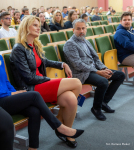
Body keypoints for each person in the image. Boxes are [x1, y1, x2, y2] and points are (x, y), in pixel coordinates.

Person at [0, 25, 84, 150]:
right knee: (35, 95)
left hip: (7, 96)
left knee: (34, 111)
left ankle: (33, 147)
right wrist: (11, 94)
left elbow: (5, 81)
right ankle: (58, 126)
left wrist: (15, 92)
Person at [10, 15, 83, 148]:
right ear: (26, 27)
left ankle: (64, 130)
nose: (39, 28)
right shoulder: (18, 49)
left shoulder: (34, 45)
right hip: (32, 88)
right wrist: (50, 79)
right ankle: (60, 124)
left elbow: (44, 62)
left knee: (71, 99)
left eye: (39, 25)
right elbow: (28, 78)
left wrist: (62, 64)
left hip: (41, 83)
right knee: (76, 83)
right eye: (35, 25)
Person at [63, 19, 125, 121]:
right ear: (73, 30)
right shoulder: (70, 44)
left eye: (83, 28)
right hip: (81, 74)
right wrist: (97, 72)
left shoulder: (86, 41)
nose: (81, 31)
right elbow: (78, 65)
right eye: (78, 29)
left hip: (93, 69)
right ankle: (96, 108)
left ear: (86, 29)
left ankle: (104, 102)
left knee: (120, 75)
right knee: (103, 81)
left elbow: (96, 58)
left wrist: (104, 69)